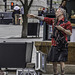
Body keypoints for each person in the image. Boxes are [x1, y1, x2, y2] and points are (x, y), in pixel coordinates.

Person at [27, 8, 72, 75]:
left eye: (57, 12)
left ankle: (63, 73)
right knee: (54, 61)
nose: (56, 13)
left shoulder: (67, 22)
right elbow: (45, 19)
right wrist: (35, 16)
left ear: (61, 13)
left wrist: (62, 29)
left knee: (62, 60)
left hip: (63, 44)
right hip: (54, 44)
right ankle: (55, 73)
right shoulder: (54, 21)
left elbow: (70, 33)